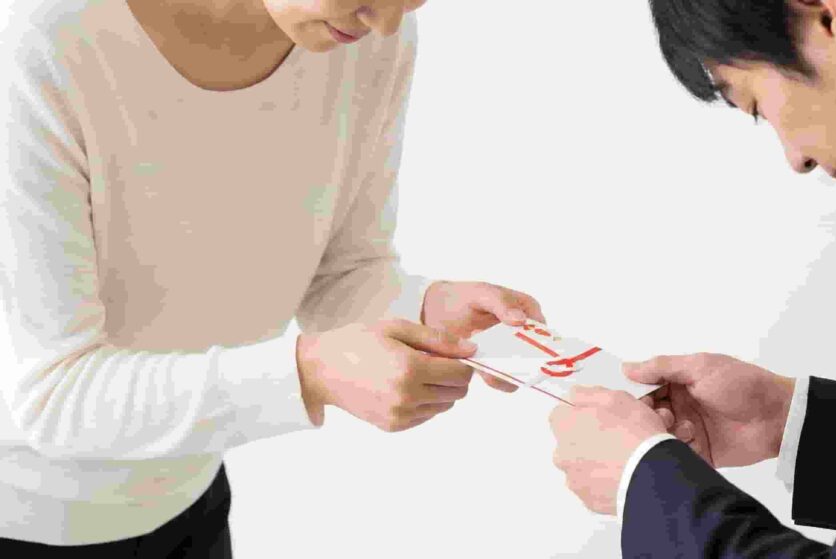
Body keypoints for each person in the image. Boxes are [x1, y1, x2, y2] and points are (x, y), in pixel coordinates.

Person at [0, 0, 544, 555]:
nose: (383, 22)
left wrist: (427, 311)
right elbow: (53, 396)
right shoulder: (39, 41)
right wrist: (305, 376)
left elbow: (339, 270)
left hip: (188, 493)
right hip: (22, 517)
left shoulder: (366, 40)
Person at [549, 0, 836, 556]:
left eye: (754, 104)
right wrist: (795, 424)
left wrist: (645, 485)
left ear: (828, 16)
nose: (795, 159)